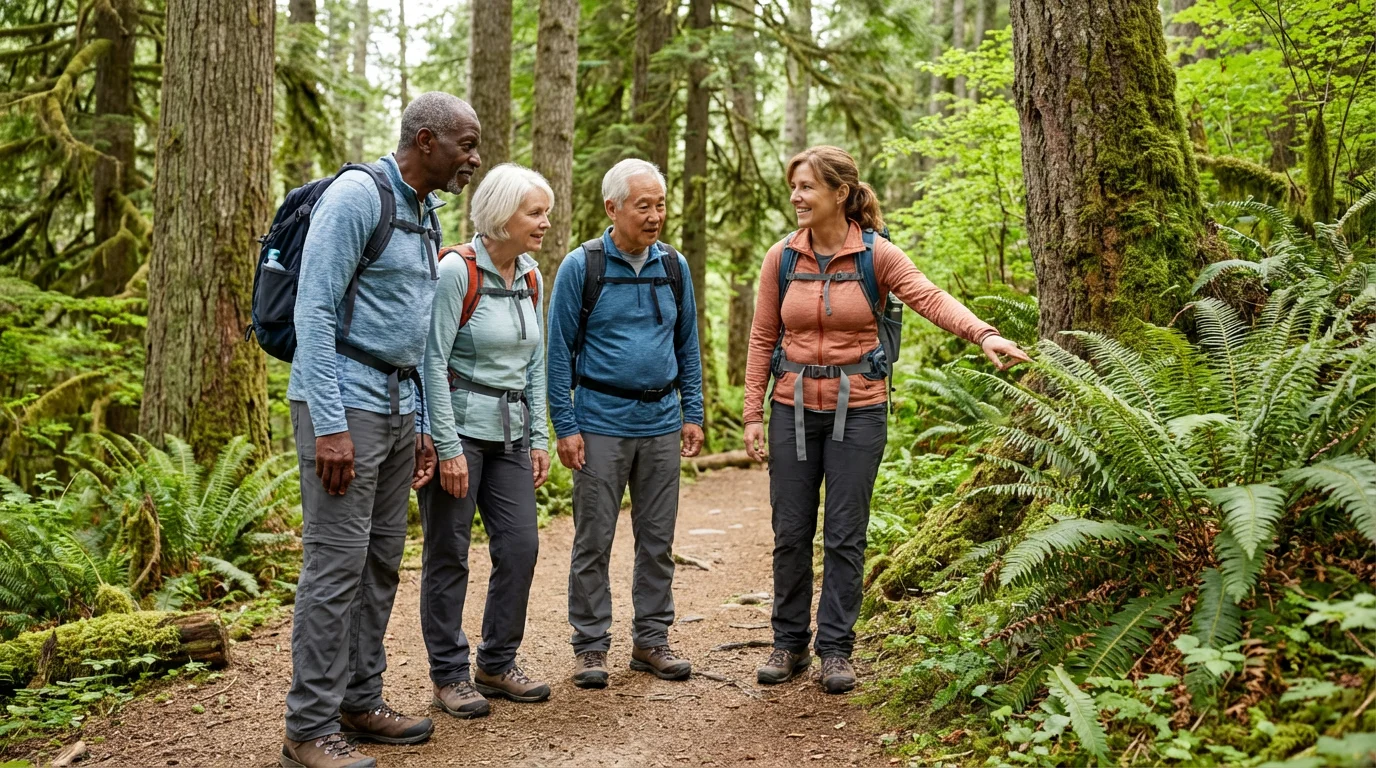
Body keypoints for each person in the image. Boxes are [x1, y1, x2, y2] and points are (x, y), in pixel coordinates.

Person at [741, 146, 1030, 695]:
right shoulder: (781, 258)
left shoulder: (877, 255)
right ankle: (788, 643)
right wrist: (753, 412)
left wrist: (985, 333)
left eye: (807, 187)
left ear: (840, 194)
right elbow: (762, 338)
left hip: (861, 410)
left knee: (846, 533)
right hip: (791, 409)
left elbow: (930, 297)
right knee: (791, 531)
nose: (797, 197)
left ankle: (836, 650)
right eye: (794, 186)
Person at [282, 92, 480, 768]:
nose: (474, 158)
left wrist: (423, 421)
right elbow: (313, 309)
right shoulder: (357, 198)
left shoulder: (424, 215)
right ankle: (308, 729)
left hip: (398, 408)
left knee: (379, 564)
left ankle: (359, 700)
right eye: (465, 144)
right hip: (344, 405)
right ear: (426, 140)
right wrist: (330, 425)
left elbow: (415, 332)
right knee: (335, 567)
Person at [546, 158, 705, 689]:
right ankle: (590, 647)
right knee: (594, 538)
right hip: (600, 423)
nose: (655, 215)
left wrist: (693, 412)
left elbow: (687, 345)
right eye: (644, 205)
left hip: (661, 422)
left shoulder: (673, 266)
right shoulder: (581, 267)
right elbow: (558, 351)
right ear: (612, 208)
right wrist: (564, 424)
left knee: (657, 539)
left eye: (660, 204)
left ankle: (651, 640)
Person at [419, 163, 554, 720]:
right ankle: (449, 675)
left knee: (521, 547)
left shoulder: (531, 276)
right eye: (535, 213)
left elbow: (536, 363)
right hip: (461, 432)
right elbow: (431, 359)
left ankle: (496, 662)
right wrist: (447, 446)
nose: (545, 222)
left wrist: (540, 433)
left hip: (513, 436)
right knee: (448, 554)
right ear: (502, 216)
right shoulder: (456, 270)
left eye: (545, 212)